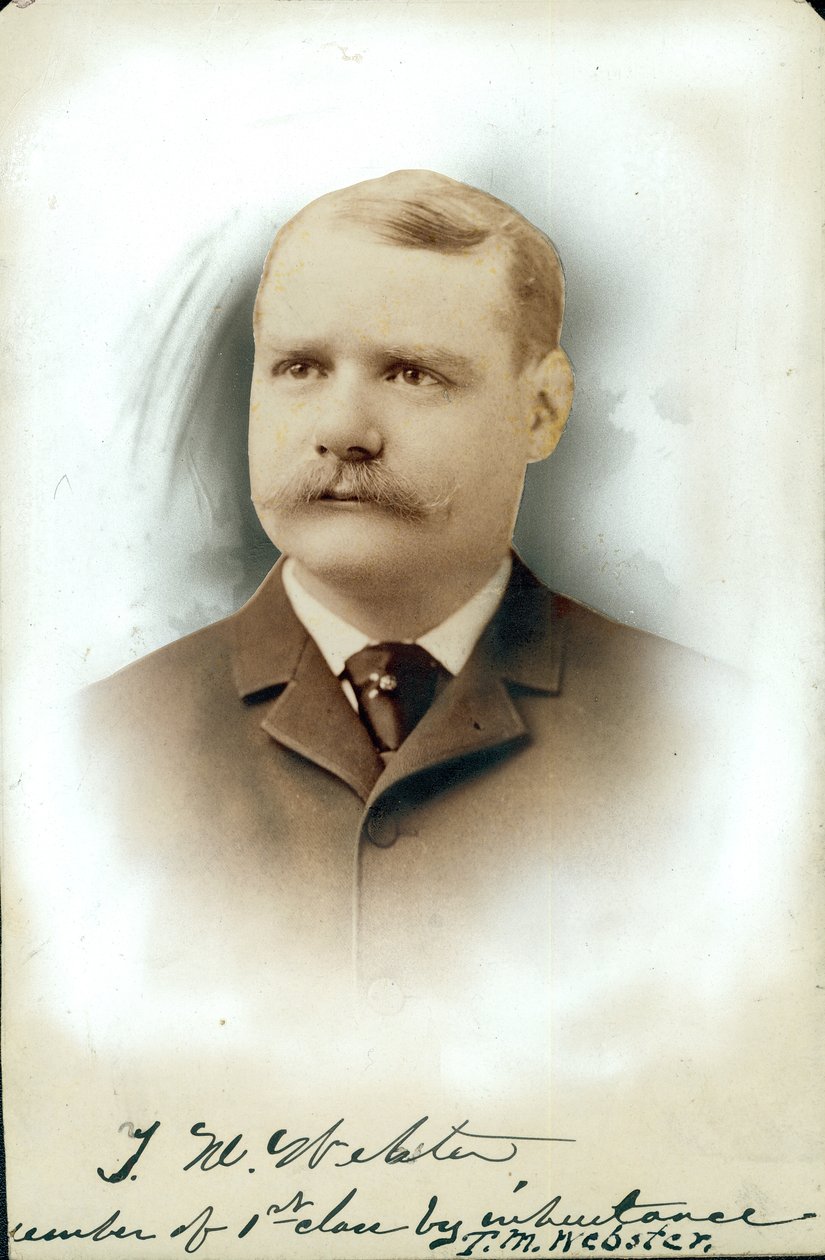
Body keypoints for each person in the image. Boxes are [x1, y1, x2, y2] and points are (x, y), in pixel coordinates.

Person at [76, 170, 746, 1100]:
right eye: (300, 367)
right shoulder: (89, 753)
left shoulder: (722, 742)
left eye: (410, 373)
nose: (342, 429)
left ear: (542, 411)